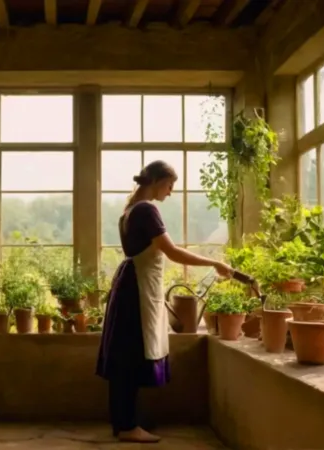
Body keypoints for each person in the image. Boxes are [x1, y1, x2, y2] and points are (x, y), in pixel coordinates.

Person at [95, 160, 237, 443]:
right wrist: (215, 262)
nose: (171, 192)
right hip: (136, 288)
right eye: (170, 186)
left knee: (128, 353)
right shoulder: (147, 210)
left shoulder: (129, 210)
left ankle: (127, 420)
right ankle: (127, 426)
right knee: (131, 354)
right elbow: (172, 252)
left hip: (132, 285)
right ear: (158, 181)